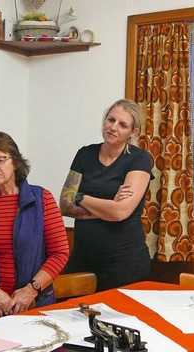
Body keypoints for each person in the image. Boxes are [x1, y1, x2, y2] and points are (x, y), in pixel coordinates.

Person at [0, 132, 70, 316]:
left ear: (15, 162)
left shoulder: (42, 199)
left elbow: (60, 253)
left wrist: (31, 290)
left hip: (35, 303)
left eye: (0, 160)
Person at [59, 99, 154, 291]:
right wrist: (109, 206)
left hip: (124, 260)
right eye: (110, 120)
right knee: (68, 314)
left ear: (133, 132)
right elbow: (64, 204)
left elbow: (120, 212)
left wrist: (81, 197)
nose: (113, 127)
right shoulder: (85, 154)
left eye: (122, 124)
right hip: (83, 255)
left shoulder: (139, 159)